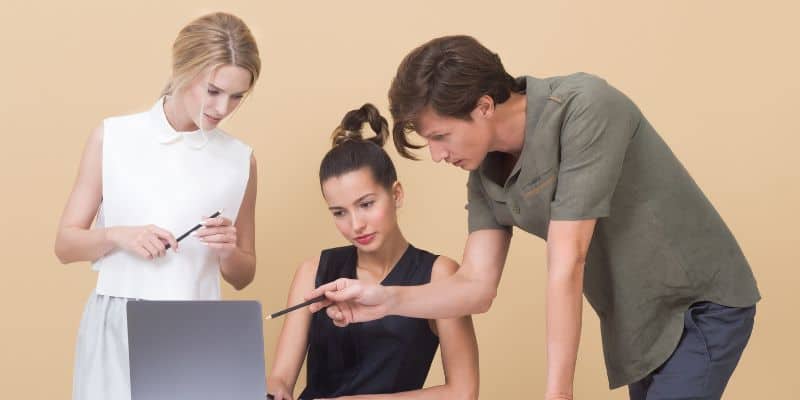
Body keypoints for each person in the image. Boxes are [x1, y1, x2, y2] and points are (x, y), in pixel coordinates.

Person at [308, 36, 760, 400]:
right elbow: (476, 288)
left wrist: (557, 391)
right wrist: (383, 299)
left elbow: (568, 260)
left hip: (698, 305)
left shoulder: (585, 107)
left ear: (484, 106)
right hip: (636, 322)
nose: (439, 155)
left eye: (442, 136)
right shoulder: (484, 167)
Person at [54, 12, 261, 400]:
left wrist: (229, 250)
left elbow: (243, 275)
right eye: (213, 90)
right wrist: (119, 236)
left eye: (237, 96)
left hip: (199, 327)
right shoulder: (113, 137)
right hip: (118, 323)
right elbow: (65, 245)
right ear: (184, 70)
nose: (223, 107)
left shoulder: (240, 160)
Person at [267, 104, 479, 400]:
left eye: (366, 204)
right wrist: (273, 391)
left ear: (396, 194)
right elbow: (279, 379)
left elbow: (463, 392)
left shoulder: (439, 275)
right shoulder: (314, 271)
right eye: (339, 212)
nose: (356, 225)